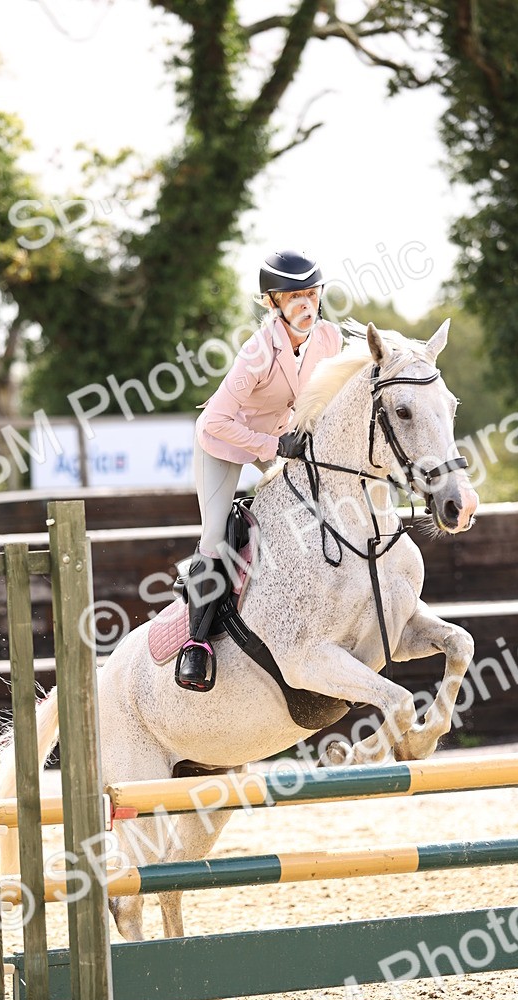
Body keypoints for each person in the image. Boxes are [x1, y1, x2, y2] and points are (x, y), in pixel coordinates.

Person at [176, 249, 343, 691]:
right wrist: (272, 446)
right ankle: (196, 645)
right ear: (272, 303)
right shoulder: (256, 353)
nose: (306, 304)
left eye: (312, 293)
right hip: (225, 443)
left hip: (280, 437)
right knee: (214, 535)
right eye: (293, 297)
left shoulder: (328, 339)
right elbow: (215, 421)